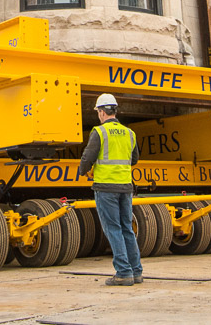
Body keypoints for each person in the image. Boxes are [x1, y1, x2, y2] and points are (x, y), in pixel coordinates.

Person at [76, 93, 142, 285]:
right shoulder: (130, 133)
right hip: (125, 187)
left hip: (106, 188)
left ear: (102, 113)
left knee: (113, 229)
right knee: (127, 228)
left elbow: (88, 157)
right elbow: (134, 159)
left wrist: (83, 171)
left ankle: (123, 273)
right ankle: (136, 272)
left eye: (98, 112)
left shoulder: (99, 132)